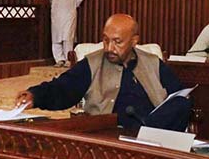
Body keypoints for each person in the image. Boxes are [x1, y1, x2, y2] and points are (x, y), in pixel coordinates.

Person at [15, 14, 191, 131]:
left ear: (134, 41)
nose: (109, 48)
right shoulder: (92, 63)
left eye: (117, 42)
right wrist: (35, 95)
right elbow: (63, 88)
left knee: (182, 104)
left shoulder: (152, 63)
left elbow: (178, 95)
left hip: (153, 134)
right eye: (105, 40)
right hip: (110, 135)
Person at [47, 0, 83, 67]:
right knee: (56, 37)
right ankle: (59, 59)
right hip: (56, 15)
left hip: (69, 14)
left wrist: (71, 8)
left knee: (68, 36)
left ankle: (68, 59)